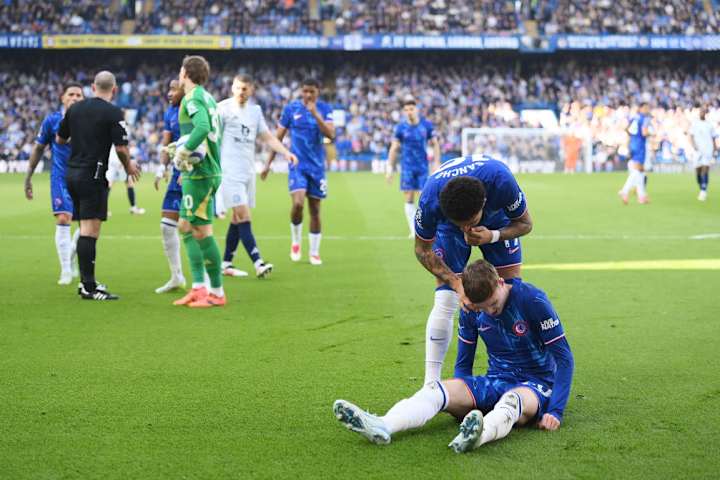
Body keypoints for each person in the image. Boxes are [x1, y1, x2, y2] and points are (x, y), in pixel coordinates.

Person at [333, 259, 574, 453]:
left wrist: (555, 411)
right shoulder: (471, 309)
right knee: (436, 391)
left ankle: (478, 436)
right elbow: (463, 361)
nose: (489, 311)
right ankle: (383, 425)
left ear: (500, 282)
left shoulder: (532, 300)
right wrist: (464, 400)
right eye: (483, 308)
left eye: (492, 304)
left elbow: (564, 358)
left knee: (511, 401)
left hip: (537, 385)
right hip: (497, 379)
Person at [414, 155, 533, 385]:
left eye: (470, 221)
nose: (466, 228)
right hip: (447, 227)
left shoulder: (501, 181)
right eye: (461, 224)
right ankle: (430, 384)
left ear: (483, 203)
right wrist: (457, 284)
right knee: (446, 299)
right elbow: (421, 250)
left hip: (496, 222)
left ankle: (518, 370)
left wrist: (493, 236)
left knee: (509, 294)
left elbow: (526, 224)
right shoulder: (431, 199)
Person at [56, 71, 140, 300]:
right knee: (90, 232)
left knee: (84, 228)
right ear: (113, 90)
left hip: (72, 174)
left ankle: (87, 283)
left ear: (93, 87)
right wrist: (129, 166)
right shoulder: (113, 112)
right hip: (93, 175)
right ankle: (88, 287)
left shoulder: (75, 109)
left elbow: (60, 139)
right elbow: (121, 148)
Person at [217, 74, 297, 278]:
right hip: (229, 172)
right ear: (232, 88)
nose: (240, 92)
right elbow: (212, 137)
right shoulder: (222, 109)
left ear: (251, 90)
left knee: (237, 219)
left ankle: (225, 263)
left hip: (247, 172)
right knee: (244, 216)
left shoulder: (255, 112)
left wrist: (286, 152)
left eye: (244, 88)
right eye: (237, 88)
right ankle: (258, 263)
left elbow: (268, 137)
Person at [260, 78, 335, 266]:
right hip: (297, 165)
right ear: (301, 91)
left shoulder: (325, 109)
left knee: (315, 210)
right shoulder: (291, 109)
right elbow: (277, 138)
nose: (308, 95)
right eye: (305, 91)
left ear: (318, 91)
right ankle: (295, 241)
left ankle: (314, 252)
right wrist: (268, 164)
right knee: (298, 204)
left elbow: (331, 135)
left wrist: (315, 114)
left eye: (311, 91)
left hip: (317, 167)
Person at [170, 55, 226, 308]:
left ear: (184, 73)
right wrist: (181, 148)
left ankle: (216, 293)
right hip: (198, 171)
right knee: (184, 226)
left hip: (202, 173)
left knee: (201, 231)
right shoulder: (208, 97)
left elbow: (202, 128)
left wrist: (184, 152)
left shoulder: (192, 97)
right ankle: (198, 288)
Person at [24, 82, 84, 285]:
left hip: (84, 177)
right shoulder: (52, 120)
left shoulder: (89, 120)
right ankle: (66, 270)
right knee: (63, 219)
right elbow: (38, 149)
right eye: (71, 94)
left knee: (86, 226)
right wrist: (28, 176)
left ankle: (71, 257)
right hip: (60, 178)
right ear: (63, 98)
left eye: (79, 95)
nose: (75, 98)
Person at [386, 97, 440, 238]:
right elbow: (394, 148)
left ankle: (426, 227)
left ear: (416, 109)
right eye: (406, 110)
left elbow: (435, 144)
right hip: (407, 168)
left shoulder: (426, 125)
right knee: (409, 197)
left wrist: (436, 163)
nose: (409, 112)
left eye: (411, 109)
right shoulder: (400, 128)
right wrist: (389, 168)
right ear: (404, 112)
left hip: (423, 167)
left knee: (425, 198)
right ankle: (413, 230)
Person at [154, 79, 186, 293]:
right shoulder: (170, 112)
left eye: (174, 89)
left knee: (196, 229)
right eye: (169, 89)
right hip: (177, 174)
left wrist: (191, 168)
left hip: (196, 174)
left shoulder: (194, 109)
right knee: (167, 226)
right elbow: (167, 144)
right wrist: (161, 168)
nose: (169, 93)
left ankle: (208, 282)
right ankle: (176, 276)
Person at [619, 103, 651, 204]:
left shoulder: (634, 117)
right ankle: (624, 191)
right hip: (640, 146)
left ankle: (641, 196)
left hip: (633, 144)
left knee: (641, 170)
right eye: (646, 108)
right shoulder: (644, 119)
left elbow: (626, 129)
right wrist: (652, 134)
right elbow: (645, 132)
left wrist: (633, 137)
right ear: (641, 108)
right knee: (637, 170)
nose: (647, 110)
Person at [107, 146, 145, 215]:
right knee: (128, 183)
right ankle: (133, 207)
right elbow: (121, 147)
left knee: (110, 184)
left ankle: (104, 209)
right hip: (119, 161)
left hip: (113, 161)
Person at [689, 107, 717, 202]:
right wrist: (694, 146)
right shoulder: (695, 124)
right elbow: (691, 136)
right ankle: (702, 187)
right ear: (699, 113)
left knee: (705, 169)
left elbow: (713, 138)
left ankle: (703, 191)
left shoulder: (710, 125)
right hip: (697, 151)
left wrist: (714, 150)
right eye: (701, 111)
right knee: (698, 172)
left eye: (704, 111)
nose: (702, 113)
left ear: (706, 113)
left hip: (707, 150)